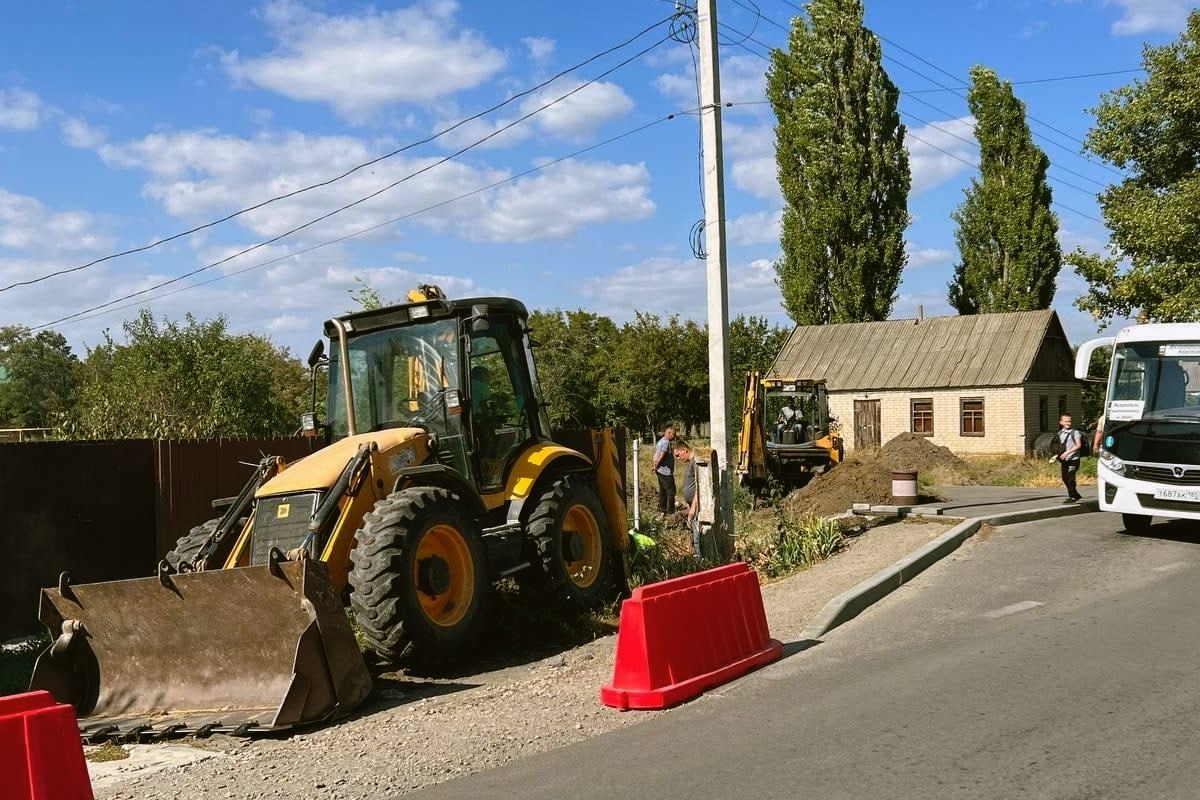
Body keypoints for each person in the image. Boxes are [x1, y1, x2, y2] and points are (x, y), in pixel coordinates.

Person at [674, 440, 701, 560]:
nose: (678, 458)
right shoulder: (691, 463)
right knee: (694, 530)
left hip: (696, 506)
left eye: (678, 455)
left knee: (697, 533)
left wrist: (693, 507)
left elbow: (699, 487)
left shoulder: (695, 463)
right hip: (692, 505)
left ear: (685, 450)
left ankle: (699, 558)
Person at [1055, 413, 1084, 503]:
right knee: (1065, 478)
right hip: (1065, 460)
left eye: (1069, 421)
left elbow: (1078, 445)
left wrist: (1068, 452)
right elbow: (1060, 446)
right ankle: (1075, 494)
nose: (1068, 423)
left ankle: (1072, 497)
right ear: (1061, 422)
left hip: (1073, 459)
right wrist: (1057, 455)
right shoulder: (1060, 433)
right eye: (1066, 421)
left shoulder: (1075, 432)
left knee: (1071, 478)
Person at [652, 425, 676, 514]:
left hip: (660, 471)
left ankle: (663, 510)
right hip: (666, 471)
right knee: (671, 491)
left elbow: (655, 455)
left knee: (663, 490)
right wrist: (656, 466)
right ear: (668, 433)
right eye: (673, 434)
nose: (674, 437)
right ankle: (671, 512)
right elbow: (662, 455)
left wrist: (655, 466)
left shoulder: (660, 441)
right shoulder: (666, 443)